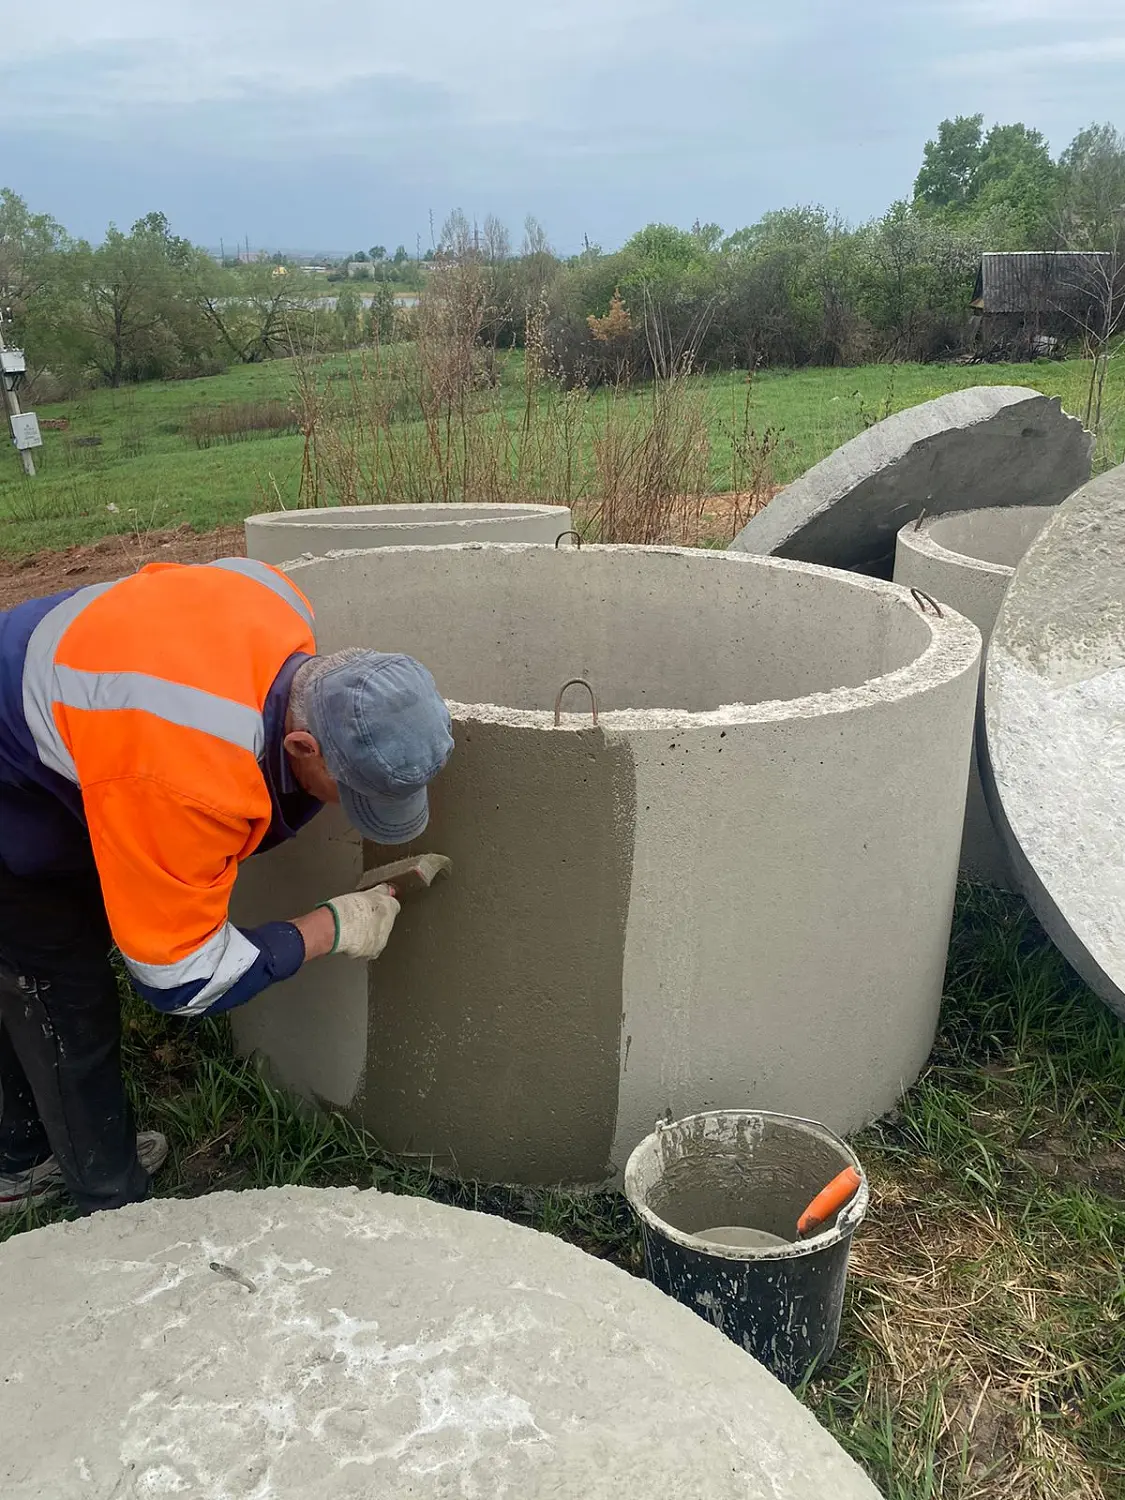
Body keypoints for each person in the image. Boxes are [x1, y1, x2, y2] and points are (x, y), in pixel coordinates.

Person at [0, 556, 453, 1216]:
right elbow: (180, 981)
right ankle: (108, 1210)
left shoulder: (276, 599)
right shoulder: (186, 776)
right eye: (349, 792)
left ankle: (17, 1152)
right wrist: (330, 927)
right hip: (19, 771)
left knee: (29, 960)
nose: (346, 810)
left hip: (56, 720)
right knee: (56, 986)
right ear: (301, 747)